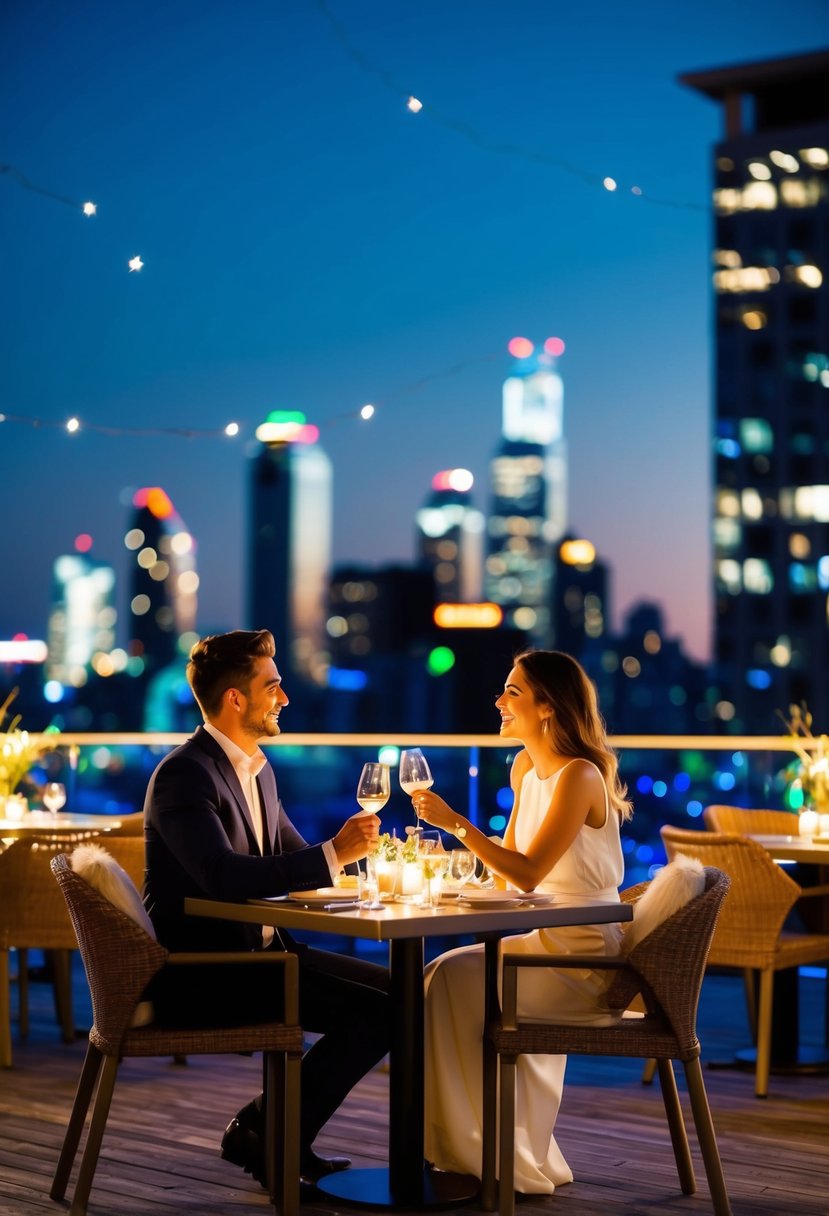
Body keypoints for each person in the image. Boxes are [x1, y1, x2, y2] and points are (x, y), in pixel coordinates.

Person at [143, 629, 390, 1190]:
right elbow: (223, 878)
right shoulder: (185, 776)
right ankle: (267, 1133)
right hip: (205, 973)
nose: (284, 697)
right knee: (385, 1011)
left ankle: (269, 1133)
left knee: (404, 996)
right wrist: (333, 855)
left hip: (266, 956)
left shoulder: (257, 769)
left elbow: (294, 862)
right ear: (235, 699)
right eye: (272, 686)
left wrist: (361, 867)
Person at [410, 649, 632, 1194]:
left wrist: (458, 824)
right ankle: (468, 1145)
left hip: (583, 961)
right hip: (542, 943)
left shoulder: (580, 775)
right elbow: (506, 876)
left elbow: (530, 875)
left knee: (453, 982)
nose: (499, 700)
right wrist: (448, 878)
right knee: (438, 974)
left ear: (548, 707)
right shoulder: (525, 768)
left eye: (512, 691)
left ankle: (485, 1150)